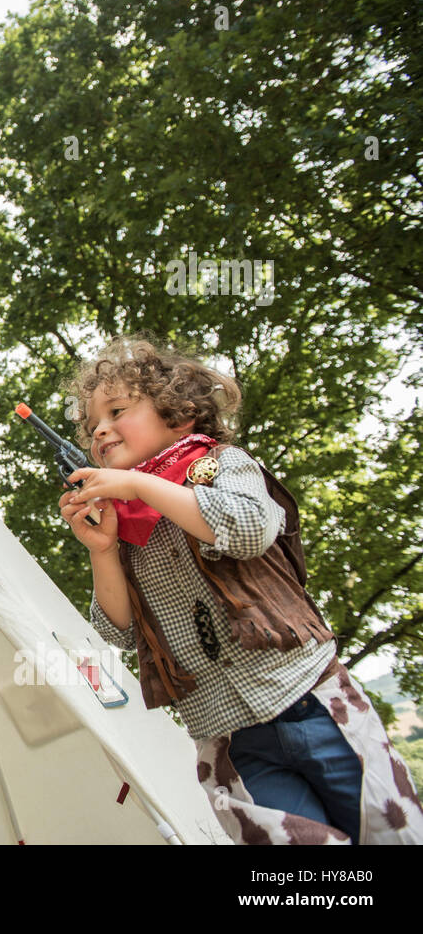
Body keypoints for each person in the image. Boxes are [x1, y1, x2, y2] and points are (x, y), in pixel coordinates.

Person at [57, 334, 422, 844]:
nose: (100, 430)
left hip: (312, 701)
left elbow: (249, 527)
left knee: (392, 830)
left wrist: (141, 486)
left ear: (179, 413)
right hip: (229, 744)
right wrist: (101, 549)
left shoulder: (222, 465)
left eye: (117, 410)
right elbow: (117, 630)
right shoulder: (122, 524)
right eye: (92, 425)